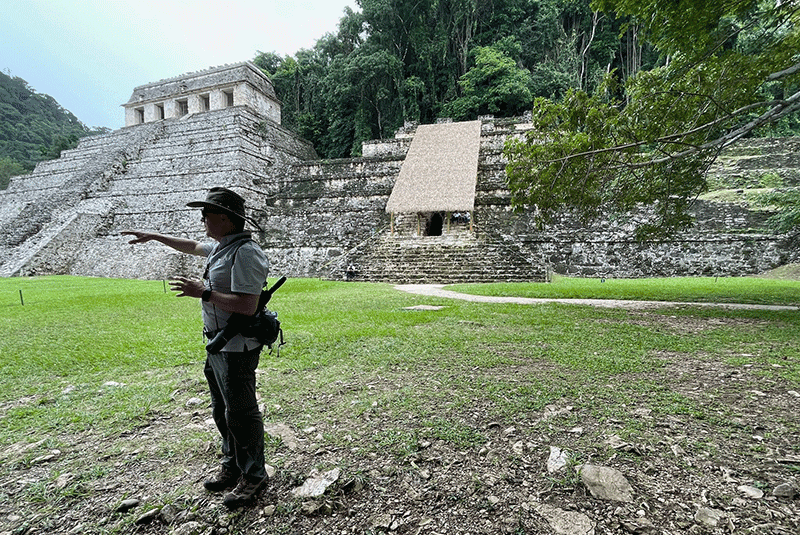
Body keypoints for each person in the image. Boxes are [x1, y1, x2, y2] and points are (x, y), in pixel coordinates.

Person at [122, 187, 270, 509]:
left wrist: (203, 293)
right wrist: (155, 236)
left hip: (236, 346)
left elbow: (247, 305)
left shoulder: (245, 253)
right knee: (222, 410)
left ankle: (254, 476)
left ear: (226, 218)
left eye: (208, 214)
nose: (202, 219)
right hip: (217, 343)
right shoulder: (221, 247)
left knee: (241, 413)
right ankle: (233, 465)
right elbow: (190, 246)